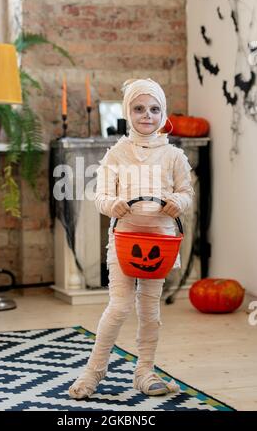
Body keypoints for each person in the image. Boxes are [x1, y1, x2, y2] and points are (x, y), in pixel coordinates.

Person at [69, 78, 195, 399]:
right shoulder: (116, 154)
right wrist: (113, 204)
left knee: (150, 309)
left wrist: (178, 202)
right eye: (139, 109)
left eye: (154, 109)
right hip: (124, 241)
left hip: (161, 243)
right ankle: (94, 370)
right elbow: (100, 196)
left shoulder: (173, 156)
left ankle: (145, 370)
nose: (147, 115)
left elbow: (186, 192)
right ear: (128, 112)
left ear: (162, 113)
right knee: (119, 306)